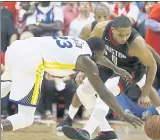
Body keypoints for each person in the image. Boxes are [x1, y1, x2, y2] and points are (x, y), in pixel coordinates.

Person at [61, 16, 160, 140]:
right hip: (110, 63)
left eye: (127, 34)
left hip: (131, 69)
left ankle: (86, 131)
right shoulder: (101, 28)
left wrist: (145, 93)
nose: (124, 38)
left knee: (107, 90)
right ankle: (107, 132)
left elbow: (152, 65)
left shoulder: (136, 43)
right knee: (83, 91)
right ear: (112, 30)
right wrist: (84, 70)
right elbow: (89, 51)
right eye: (121, 35)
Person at [1, 35, 143, 132]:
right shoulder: (88, 63)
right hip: (31, 58)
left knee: (6, 85)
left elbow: (98, 57)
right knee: (25, 118)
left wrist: (116, 69)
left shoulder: (80, 43)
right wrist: (123, 114)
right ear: (96, 53)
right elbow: (104, 93)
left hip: (16, 48)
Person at [56, 4, 110, 130]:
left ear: (109, 16)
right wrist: (82, 70)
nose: (102, 20)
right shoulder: (87, 29)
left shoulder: (114, 29)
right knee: (81, 89)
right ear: (94, 17)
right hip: (89, 63)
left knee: (103, 92)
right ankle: (69, 118)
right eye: (99, 17)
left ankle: (100, 124)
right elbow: (78, 50)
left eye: (105, 17)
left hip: (108, 65)